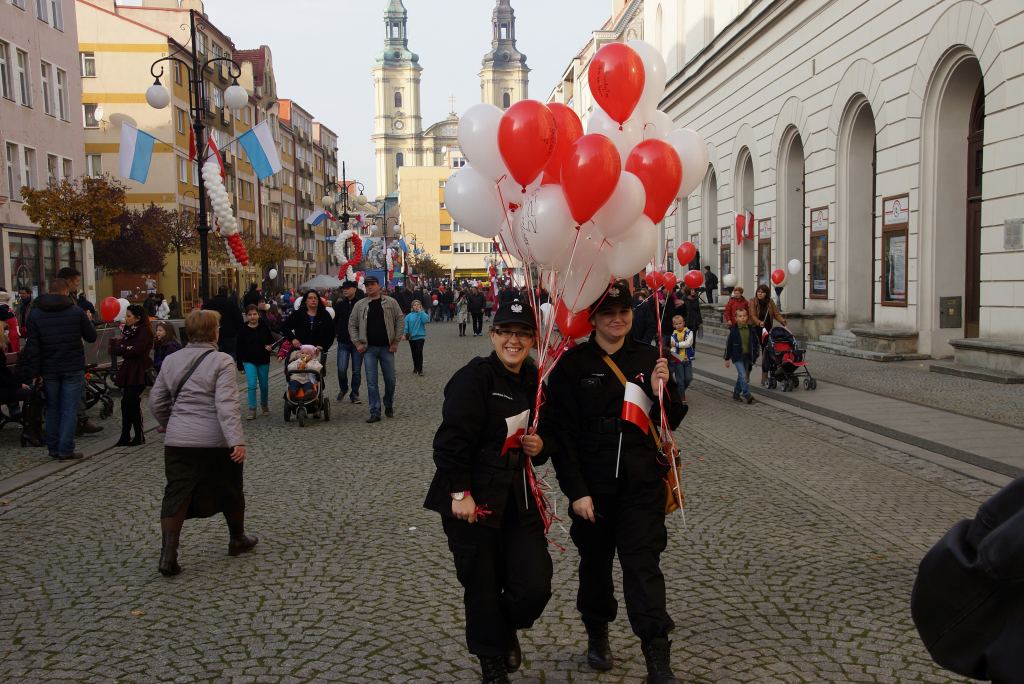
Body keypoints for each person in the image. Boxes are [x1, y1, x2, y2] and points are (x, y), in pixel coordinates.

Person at [547, 280, 687, 683]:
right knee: (595, 568)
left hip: (640, 484)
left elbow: (669, 421)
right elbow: (563, 436)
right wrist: (576, 491)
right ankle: (597, 634)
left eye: (623, 312)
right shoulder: (572, 366)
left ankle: (657, 654)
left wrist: (667, 388)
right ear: (592, 318)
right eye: (608, 313)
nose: (617, 319)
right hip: (593, 487)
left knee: (644, 568)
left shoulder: (649, 357)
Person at [424, 298, 553, 683]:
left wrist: (541, 445)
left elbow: (551, 433)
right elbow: (449, 442)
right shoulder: (474, 378)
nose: (514, 341)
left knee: (535, 584)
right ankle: (492, 664)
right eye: (506, 332)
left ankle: (505, 628)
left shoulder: (536, 379)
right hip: (472, 497)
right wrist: (460, 493)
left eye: (522, 334)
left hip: (518, 494)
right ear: (493, 335)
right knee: (481, 585)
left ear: (532, 339)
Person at [149, 309, 255, 577]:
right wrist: (236, 441)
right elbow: (226, 405)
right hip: (214, 441)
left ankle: (168, 555)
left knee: (176, 493)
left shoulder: (171, 360)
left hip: (178, 441)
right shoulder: (222, 361)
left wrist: (170, 423)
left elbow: (156, 400)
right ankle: (237, 537)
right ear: (213, 331)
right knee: (230, 487)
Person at [26, 278, 97, 460]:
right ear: (66, 291)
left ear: (49, 291)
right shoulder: (76, 311)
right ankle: (66, 448)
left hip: (48, 368)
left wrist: (35, 372)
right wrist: (88, 321)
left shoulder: (35, 314)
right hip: (72, 366)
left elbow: (32, 347)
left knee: (52, 408)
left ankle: (53, 447)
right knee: (68, 408)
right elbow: (91, 337)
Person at [348, 275, 404, 423]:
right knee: (372, 382)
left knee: (390, 380)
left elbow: (400, 320)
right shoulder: (360, 305)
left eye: (372, 284)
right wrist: (357, 343)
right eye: (367, 285)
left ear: (379, 286)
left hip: (387, 348)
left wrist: (396, 342)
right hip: (369, 349)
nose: (370, 287)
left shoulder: (391, 302)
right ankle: (375, 411)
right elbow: (352, 324)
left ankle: (388, 403)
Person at [113, 304, 154, 446]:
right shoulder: (128, 331)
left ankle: (135, 435)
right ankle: (131, 435)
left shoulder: (144, 331)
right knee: (130, 403)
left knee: (129, 401)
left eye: (129, 316)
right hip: (128, 369)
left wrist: (126, 348)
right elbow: (117, 349)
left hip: (139, 369)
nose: (126, 318)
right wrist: (125, 348)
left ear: (137, 318)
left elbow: (137, 350)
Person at [0, 322, 43, 447]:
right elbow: (2, 376)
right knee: (32, 393)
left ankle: (33, 429)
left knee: (34, 392)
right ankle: (31, 430)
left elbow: (5, 373)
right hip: (3, 389)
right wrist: (18, 385)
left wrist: (18, 383)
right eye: (5, 331)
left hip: (6, 386)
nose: (7, 334)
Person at [237, 305, 274, 420]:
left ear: (258, 315)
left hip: (263, 360)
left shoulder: (264, 327)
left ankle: (264, 405)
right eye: (249, 314)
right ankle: (252, 409)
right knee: (252, 385)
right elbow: (239, 348)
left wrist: (270, 347)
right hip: (249, 361)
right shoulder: (242, 329)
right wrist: (240, 366)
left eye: (254, 314)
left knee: (264, 386)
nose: (252, 317)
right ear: (246, 316)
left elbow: (271, 342)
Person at [332, 280, 364, 404]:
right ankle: (344, 388)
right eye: (343, 288)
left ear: (355, 289)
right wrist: (337, 332)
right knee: (341, 368)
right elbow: (334, 322)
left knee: (356, 370)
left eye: (348, 288)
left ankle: (354, 393)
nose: (345, 290)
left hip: (357, 343)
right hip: (343, 342)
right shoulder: (340, 305)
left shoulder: (361, 304)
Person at [748, 284, 787, 386]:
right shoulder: (753, 301)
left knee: (768, 353)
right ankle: (746, 373)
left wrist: (782, 320)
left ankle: (765, 377)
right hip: (755, 330)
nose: (760, 294)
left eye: (762, 292)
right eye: (758, 292)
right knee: (754, 354)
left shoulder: (770, 302)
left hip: (766, 331)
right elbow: (752, 315)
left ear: (766, 293)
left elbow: (776, 313)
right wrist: (758, 322)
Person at [724, 307, 759, 404]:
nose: (742, 318)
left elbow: (755, 342)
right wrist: (727, 358)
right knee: (743, 375)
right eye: (740, 316)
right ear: (736, 318)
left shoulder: (751, 329)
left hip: (747, 356)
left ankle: (736, 393)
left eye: (744, 316)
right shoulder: (734, 330)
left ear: (747, 317)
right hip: (737, 356)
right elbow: (729, 345)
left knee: (741, 376)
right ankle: (747, 394)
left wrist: (756, 353)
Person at [203, 286, 244, 362]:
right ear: (227, 292)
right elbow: (239, 319)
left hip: (213, 334)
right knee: (230, 356)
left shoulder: (210, 303)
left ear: (218, 292)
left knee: (214, 357)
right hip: (230, 334)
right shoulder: (231, 303)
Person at [667, 314, 695, 396]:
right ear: (673, 325)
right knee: (680, 380)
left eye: (680, 323)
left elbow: (688, 343)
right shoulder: (673, 335)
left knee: (689, 378)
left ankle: (678, 391)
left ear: (683, 323)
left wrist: (676, 344)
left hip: (687, 359)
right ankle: (681, 396)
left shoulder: (689, 332)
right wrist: (672, 353)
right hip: (678, 360)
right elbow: (673, 348)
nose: (678, 325)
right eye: (676, 324)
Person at [403, 299, 430, 375]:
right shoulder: (408, 316)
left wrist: (420, 312)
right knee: (414, 353)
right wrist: (405, 334)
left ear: (420, 306)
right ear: (412, 307)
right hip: (411, 338)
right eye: (415, 305)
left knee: (419, 352)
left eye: (418, 304)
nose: (416, 306)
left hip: (420, 337)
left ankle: (420, 369)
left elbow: (426, 320)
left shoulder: (423, 314)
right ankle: (415, 367)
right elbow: (406, 326)